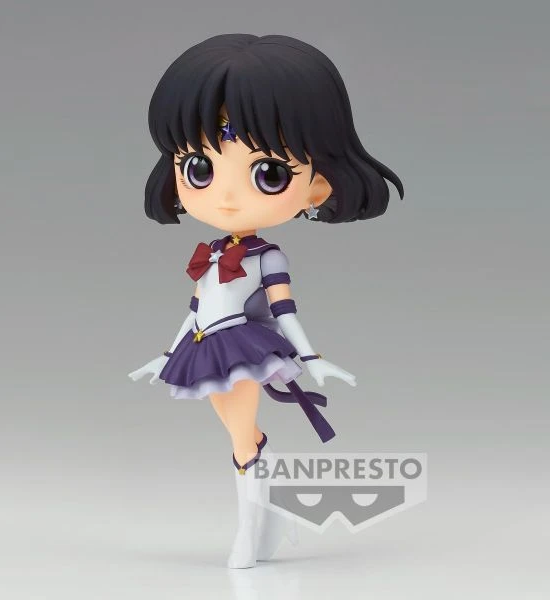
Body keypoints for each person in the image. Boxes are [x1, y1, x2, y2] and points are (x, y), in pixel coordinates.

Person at [128, 34, 403, 568]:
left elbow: (284, 310)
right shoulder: (211, 254)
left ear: (317, 186)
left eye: (268, 173)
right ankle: (270, 511)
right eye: (199, 168)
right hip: (203, 346)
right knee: (241, 434)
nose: (227, 197)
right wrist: (165, 354)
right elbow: (195, 309)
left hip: (241, 348)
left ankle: (249, 532)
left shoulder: (266, 256)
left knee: (240, 439)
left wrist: (312, 357)